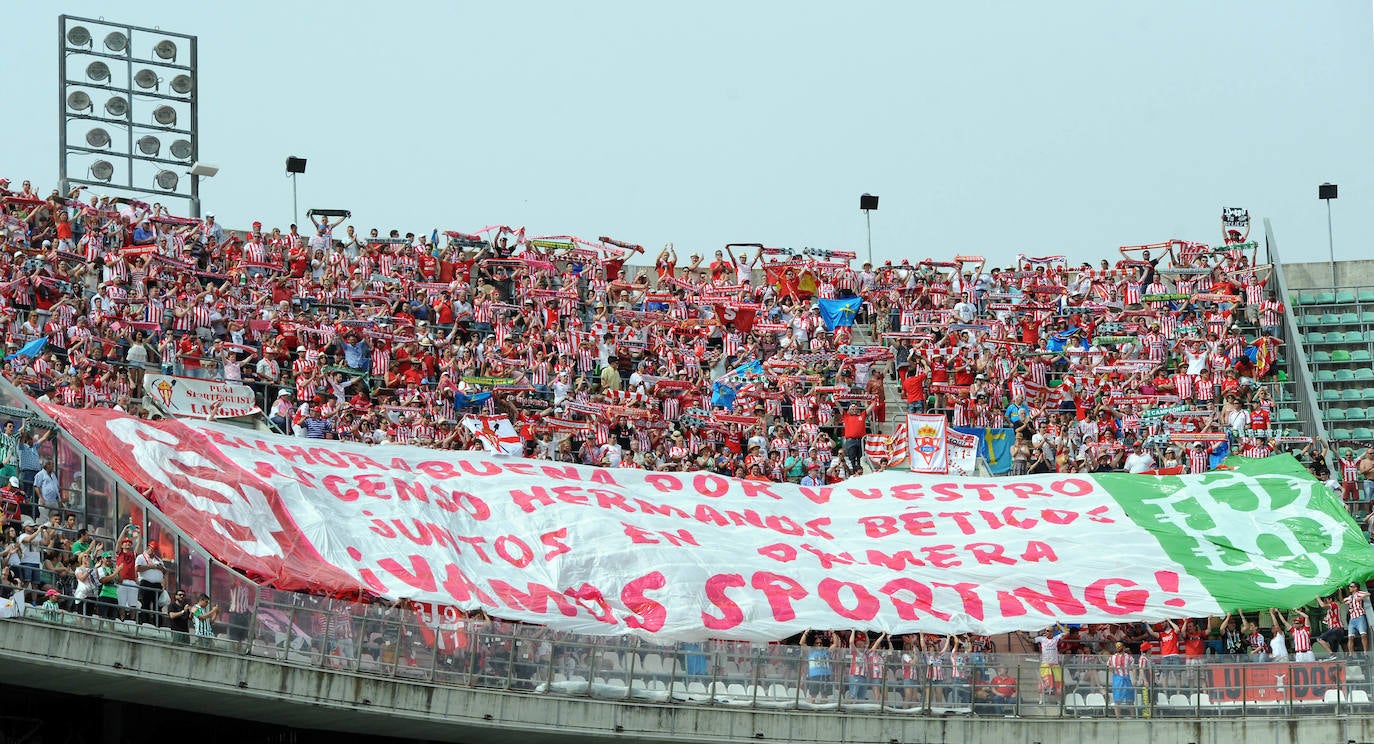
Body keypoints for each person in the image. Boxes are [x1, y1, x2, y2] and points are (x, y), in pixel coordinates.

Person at [134, 539, 169, 626]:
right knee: (145, 604)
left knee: (157, 606)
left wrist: (161, 569)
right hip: (146, 583)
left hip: (157, 585)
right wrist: (150, 566)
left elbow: (165, 572)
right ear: (148, 548)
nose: (153, 552)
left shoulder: (158, 559)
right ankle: (145, 622)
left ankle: (158, 624)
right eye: (152, 549)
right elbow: (137, 569)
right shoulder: (141, 557)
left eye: (155, 550)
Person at [1030, 623, 1066, 704]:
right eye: (1046, 631)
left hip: (1055, 664)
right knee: (1043, 681)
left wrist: (1058, 624)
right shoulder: (1041, 639)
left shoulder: (1056, 638)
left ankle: (1058, 700)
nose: (1047, 632)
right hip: (1045, 664)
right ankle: (1041, 700)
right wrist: (1022, 635)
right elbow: (1031, 640)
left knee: (1058, 681)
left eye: (1049, 631)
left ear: (1052, 632)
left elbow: (1065, 632)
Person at [1107, 641, 1134, 717]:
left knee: (1130, 699)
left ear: (1124, 647)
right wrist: (1113, 671)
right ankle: (1118, 718)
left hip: (1126, 678)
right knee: (1117, 699)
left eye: (1120, 645)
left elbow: (1133, 667)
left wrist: (1134, 678)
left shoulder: (1129, 657)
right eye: (1117, 646)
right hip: (1117, 679)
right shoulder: (1112, 657)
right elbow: (1108, 667)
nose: (1118, 647)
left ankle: (1133, 717)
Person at [1344, 582, 1370, 655]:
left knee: (1363, 635)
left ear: (1355, 588)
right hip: (1352, 618)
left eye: (1351, 586)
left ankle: (1365, 653)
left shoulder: (1358, 593)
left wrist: (1360, 598)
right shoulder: (1350, 597)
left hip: (1360, 616)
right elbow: (1342, 601)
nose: (1349, 587)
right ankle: (1350, 654)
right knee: (1350, 637)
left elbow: (1368, 594)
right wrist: (1339, 590)